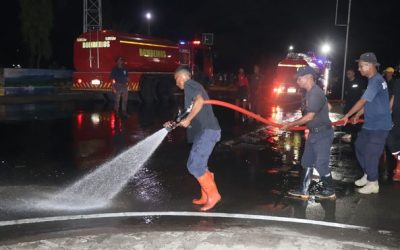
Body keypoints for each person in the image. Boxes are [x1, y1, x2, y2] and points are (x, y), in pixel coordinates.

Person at [165, 66, 221, 211]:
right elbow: (188, 112)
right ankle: (206, 196)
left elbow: (200, 101)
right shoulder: (192, 89)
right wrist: (174, 123)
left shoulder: (190, 84)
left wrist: (188, 119)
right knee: (200, 164)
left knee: (194, 165)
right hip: (205, 132)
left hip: (207, 131)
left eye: (176, 79)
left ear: (183, 77)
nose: (176, 83)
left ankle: (213, 195)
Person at [339, 52, 392, 194]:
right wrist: (357, 114)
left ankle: (373, 183)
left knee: (371, 154)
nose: (359, 69)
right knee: (360, 146)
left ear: (370, 66)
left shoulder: (376, 80)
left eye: (361, 66)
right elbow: (369, 102)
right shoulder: (373, 80)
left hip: (379, 125)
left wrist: (347, 115)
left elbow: (363, 100)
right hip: (370, 124)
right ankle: (368, 175)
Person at [281, 66, 335, 200]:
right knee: (307, 161)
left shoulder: (315, 93)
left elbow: (310, 116)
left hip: (322, 134)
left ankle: (330, 190)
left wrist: (290, 124)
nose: (297, 81)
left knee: (320, 164)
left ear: (309, 77)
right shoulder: (311, 93)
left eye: (299, 78)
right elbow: (329, 106)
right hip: (314, 133)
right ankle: (304, 190)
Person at [341, 68, 365, 141]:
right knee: (346, 116)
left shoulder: (359, 82)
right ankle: (348, 132)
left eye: (350, 73)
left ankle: (357, 133)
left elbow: (363, 93)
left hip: (356, 103)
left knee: (357, 118)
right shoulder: (347, 83)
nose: (348, 74)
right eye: (347, 73)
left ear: (353, 73)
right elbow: (346, 93)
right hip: (348, 103)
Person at [387, 76, 400, 181]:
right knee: (390, 140)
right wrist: (387, 113)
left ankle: (399, 170)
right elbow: (393, 97)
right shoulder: (397, 82)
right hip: (395, 118)